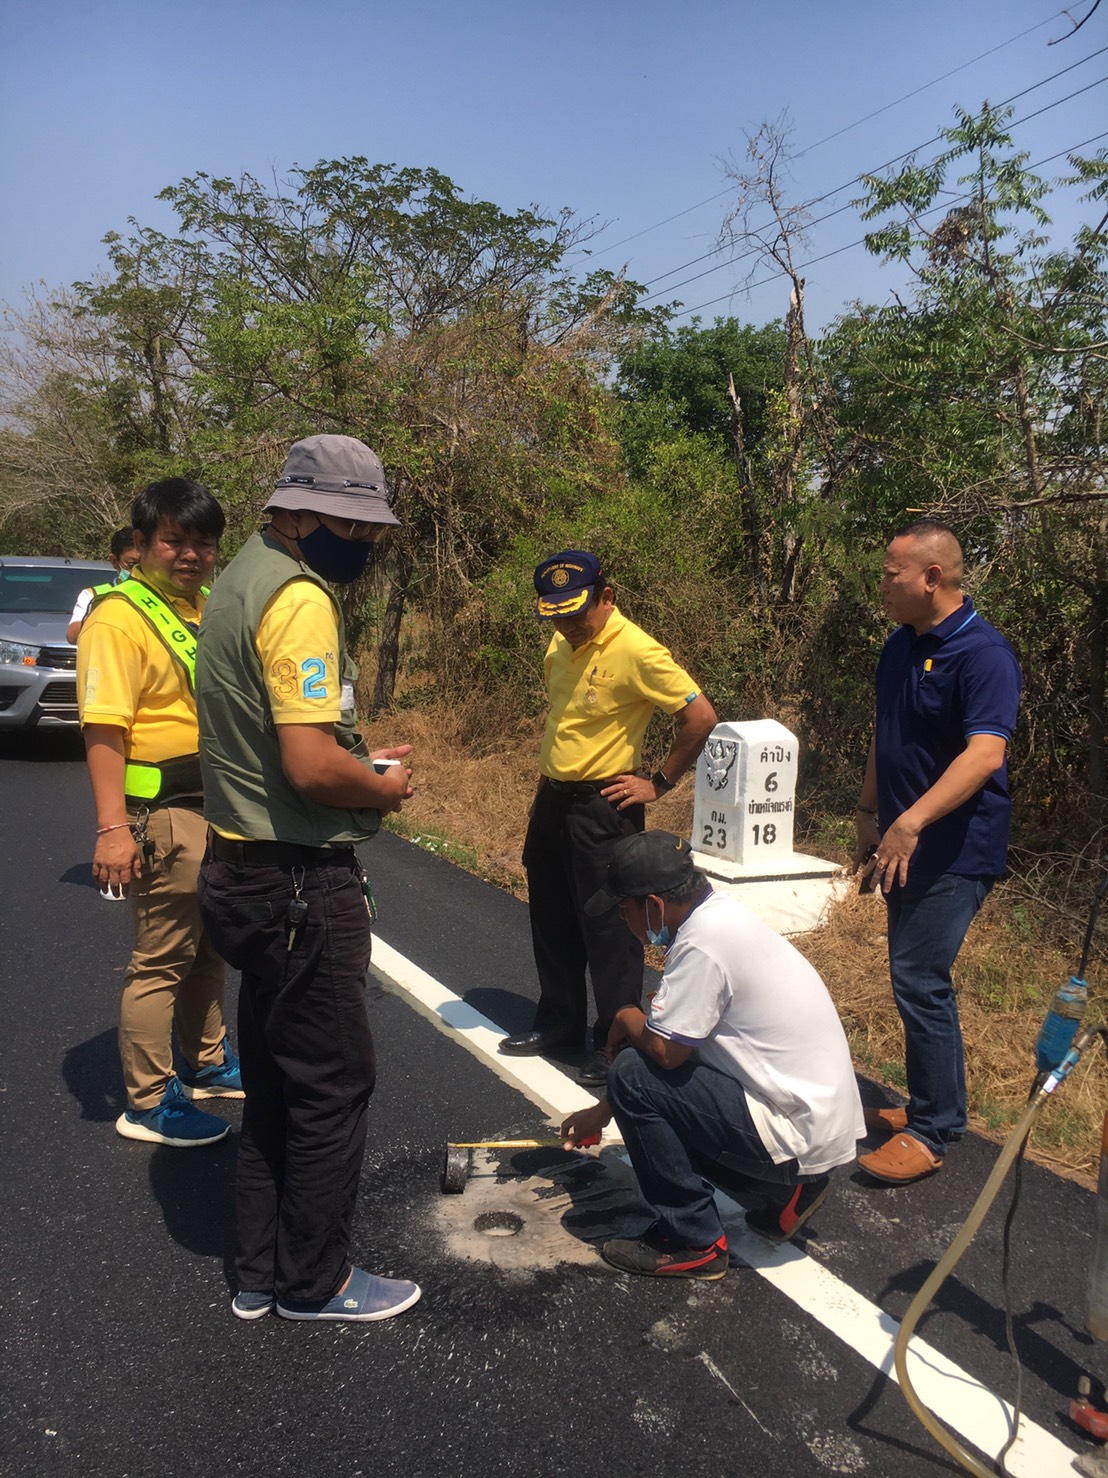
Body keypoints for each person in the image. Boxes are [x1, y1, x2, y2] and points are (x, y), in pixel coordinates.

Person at [195, 433, 421, 1325]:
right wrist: (381, 787)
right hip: (297, 884)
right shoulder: (298, 598)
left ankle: (261, 1271)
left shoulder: (236, 582)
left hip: (238, 869)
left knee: (278, 1083)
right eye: (354, 528)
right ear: (301, 513)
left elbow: (273, 739)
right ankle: (315, 1281)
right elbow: (309, 765)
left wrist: (354, 763)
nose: (362, 545)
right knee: (331, 1086)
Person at [560, 831, 864, 1277]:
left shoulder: (702, 945)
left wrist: (625, 1016)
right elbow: (686, 1051)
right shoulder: (722, 917)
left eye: (624, 910)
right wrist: (605, 1112)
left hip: (795, 1128)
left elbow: (665, 1054)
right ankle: (783, 1195)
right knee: (648, 1085)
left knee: (630, 1073)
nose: (623, 920)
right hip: (814, 1120)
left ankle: (693, 1239)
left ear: (654, 905)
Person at [499, 550, 717, 1087]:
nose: (567, 627)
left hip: (605, 805)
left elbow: (700, 717)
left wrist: (659, 783)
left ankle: (613, 1040)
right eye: (556, 617)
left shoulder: (637, 650)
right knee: (551, 915)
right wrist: (545, 789)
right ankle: (559, 1023)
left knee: (611, 927)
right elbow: (565, 722)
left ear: (607, 597)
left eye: (577, 614)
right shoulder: (560, 644)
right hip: (554, 799)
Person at [853, 520, 1022, 1185]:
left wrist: (912, 821)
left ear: (932, 577)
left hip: (954, 849)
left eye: (891, 572)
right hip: (902, 844)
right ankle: (931, 1105)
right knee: (912, 976)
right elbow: (885, 731)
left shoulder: (983, 654)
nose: (883, 584)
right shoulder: (900, 645)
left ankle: (931, 1131)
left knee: (920, 979)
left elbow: (985, 755)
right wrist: (869, 811)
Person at [77, 478, 240, 1148]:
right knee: (162, 959)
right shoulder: (120, 618)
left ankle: (206, 1062)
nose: (191, 554)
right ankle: (148, 1101)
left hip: (216, 807)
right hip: (166, 812)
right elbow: (103, 729)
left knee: (208, 948)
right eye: (175, 541)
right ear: (141, 543)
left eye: (204, 542)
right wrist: (113, 829)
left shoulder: (202, 607)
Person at [66, 526, 140, 643]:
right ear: (114, 561)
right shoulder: (93, 595)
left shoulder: (161, 593)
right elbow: (72, 637)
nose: (138, 571)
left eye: (143, 565)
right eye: (132, 565)